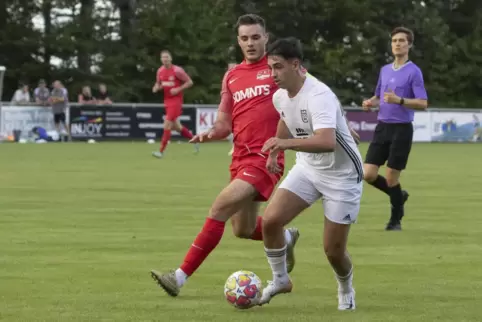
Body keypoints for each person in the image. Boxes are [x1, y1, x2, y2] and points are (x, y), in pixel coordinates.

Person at [150, 14, 300, 297]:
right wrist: (210, 132)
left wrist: (335, 122)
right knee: (242, 229)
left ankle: (178, 277)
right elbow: (223, 123)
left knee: (218, 208)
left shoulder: (278, 68)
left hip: (265, 159)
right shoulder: (232, 76)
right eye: (245, 38)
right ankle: (285, 236)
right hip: (239, 159)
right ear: (238, 41)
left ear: (266, 38)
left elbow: (308, 95)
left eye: (256, 37)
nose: (250, 43)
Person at [256, 37, 362, 310]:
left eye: (278, 67)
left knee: (333, 251)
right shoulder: (279, 95)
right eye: (270, 68)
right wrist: (273, 153)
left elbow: (327, 142)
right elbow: (285, 117)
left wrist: (284, 144)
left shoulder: (319, 94)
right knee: (270, 221)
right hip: (308, 167)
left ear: (296, 65)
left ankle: (345, 288)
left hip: (342, 176)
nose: (273, 74)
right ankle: (280, 279)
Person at [362, 27, 428, 231]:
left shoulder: (414, 71)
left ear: (409, 45)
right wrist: (370, 102)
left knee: (391, 177)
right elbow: (378, 96)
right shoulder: (385, 70)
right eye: (394, 41)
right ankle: (399, 195)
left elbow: (423, 103)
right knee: (368, 174)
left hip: (402, 129)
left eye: (401, 40)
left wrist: (399, 100)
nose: (397, 44)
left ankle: (395, 220)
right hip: (383, 127)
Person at [152, 50, 198, 158]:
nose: (165, 59)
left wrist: (178, 89)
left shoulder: (177, 71)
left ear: (171, 58)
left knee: (167, 124)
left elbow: (189, 82)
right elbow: (159, 84)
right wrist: (156, 87)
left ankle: (161, 152)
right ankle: (195, 140)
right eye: (163, 57)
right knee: (177, 127)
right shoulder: (160, 71)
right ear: (161, 59)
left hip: (176, 101)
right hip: (167, 101)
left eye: (167, 57)